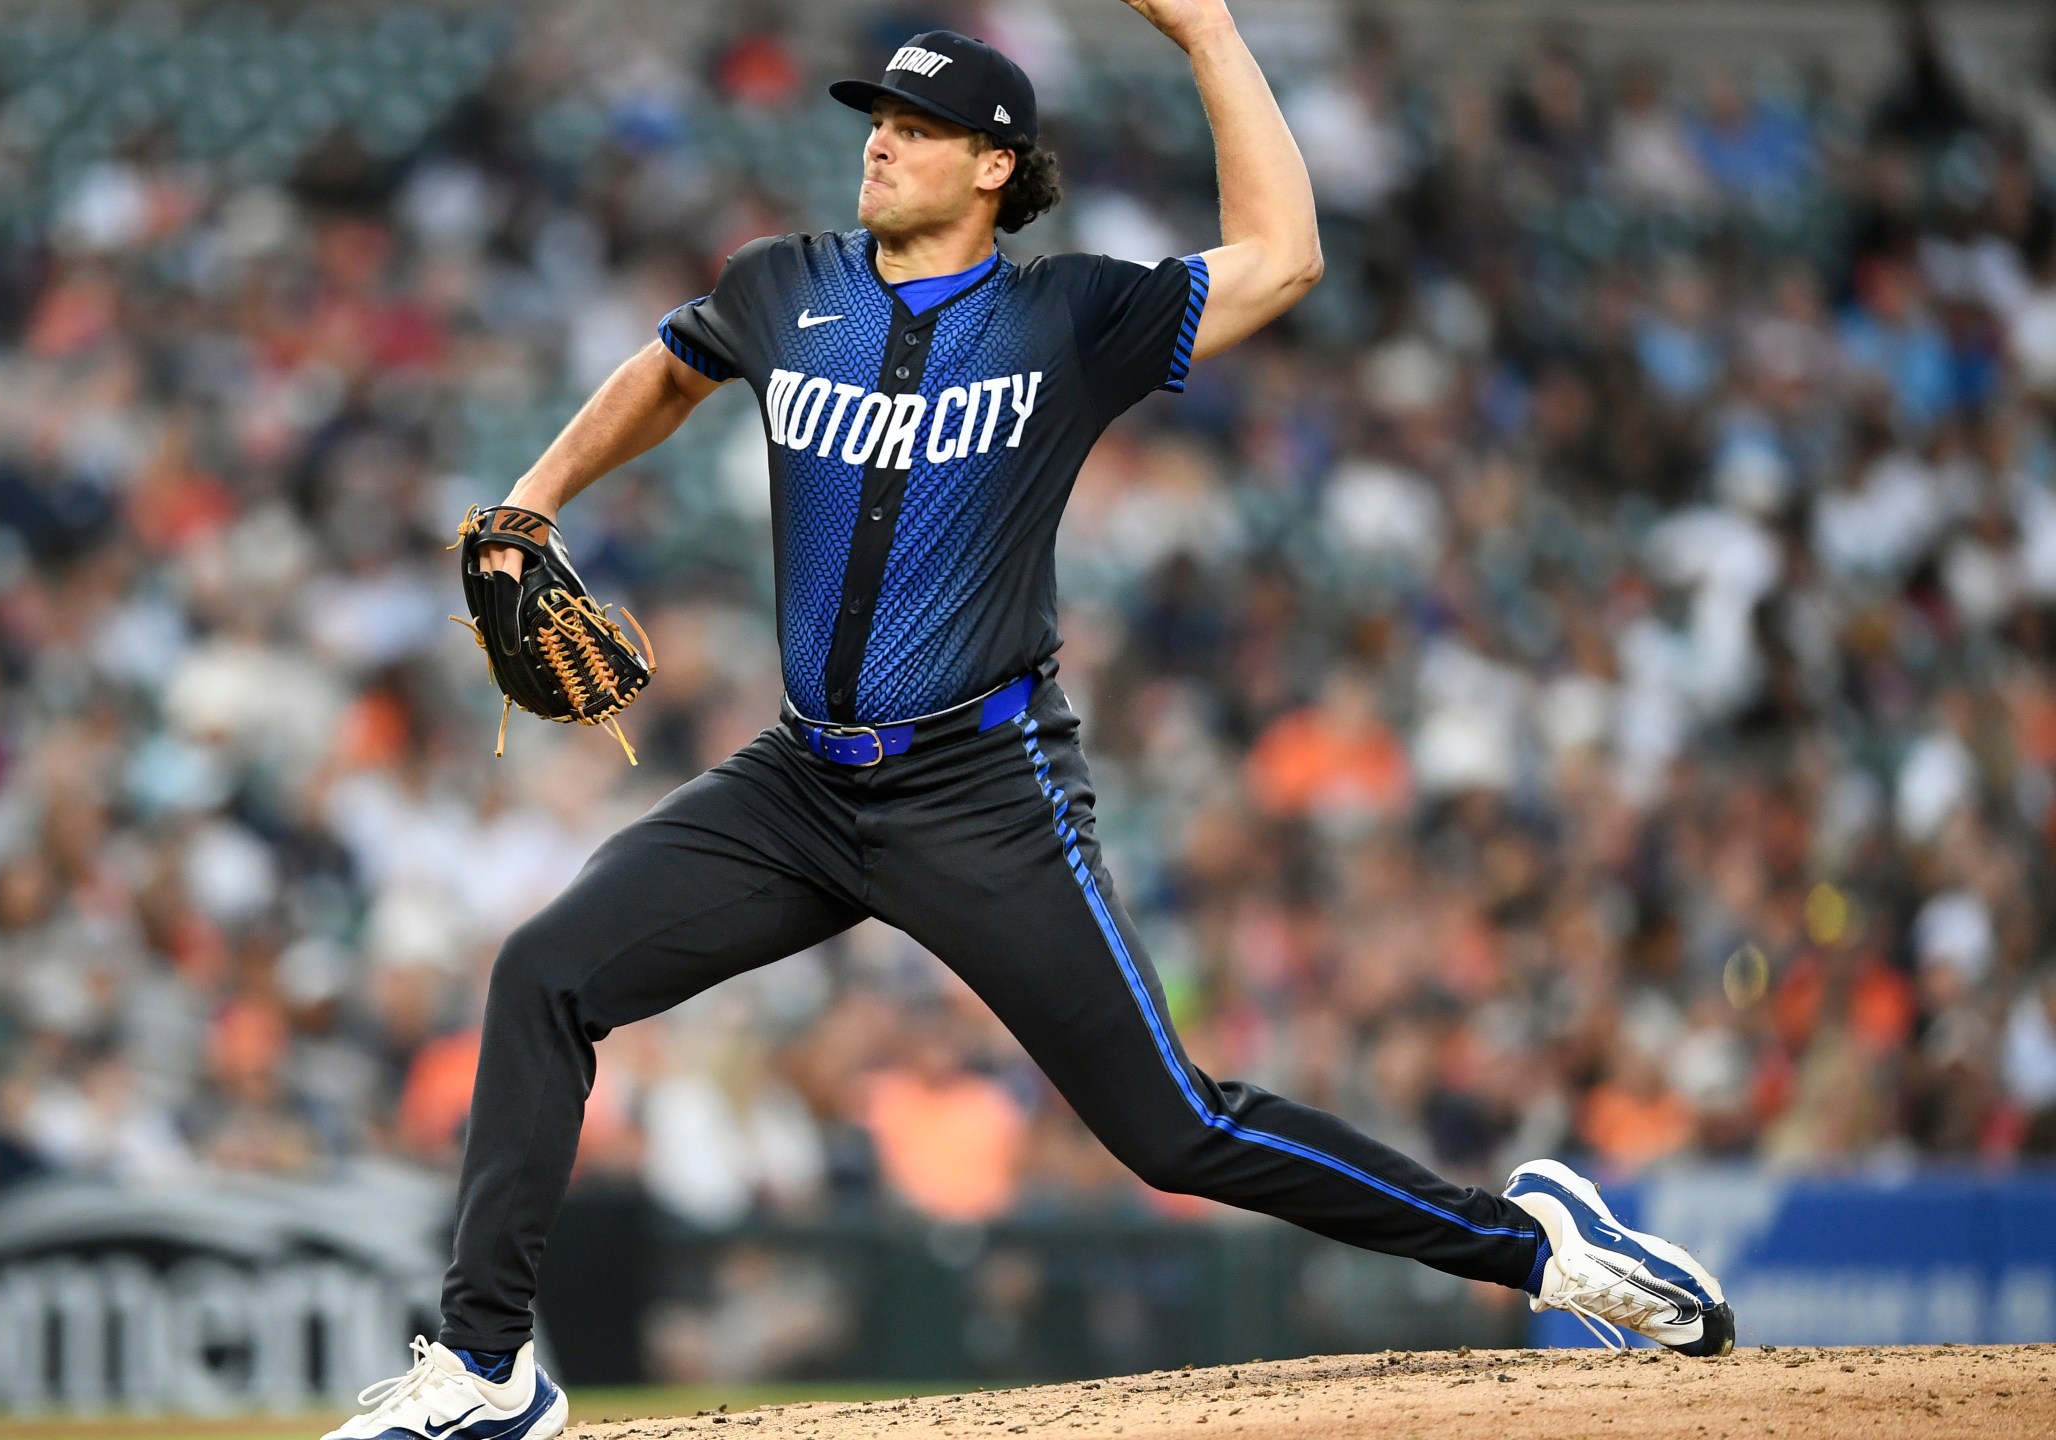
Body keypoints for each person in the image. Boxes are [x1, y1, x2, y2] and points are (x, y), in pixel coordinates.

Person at [331, 7, 1733, 1437]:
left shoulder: (1069, 316)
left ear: (999, 164)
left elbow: (1288, 256)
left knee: (1174, 1130)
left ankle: (1544, 1248)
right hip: (801, 784)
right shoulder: (783, 285)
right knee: (545, 972)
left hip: (981, 788)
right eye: (876, 116)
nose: (880, 139)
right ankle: (491, 1371)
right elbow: (667, 371)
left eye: (919, 126)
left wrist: (1203, 32)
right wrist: (534, 497)